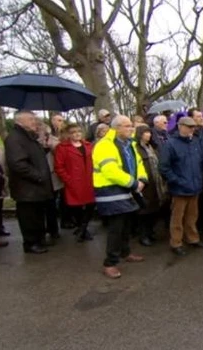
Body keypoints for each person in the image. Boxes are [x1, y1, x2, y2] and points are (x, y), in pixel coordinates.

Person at [93, 115, 147, 278]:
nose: (131, 129)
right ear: (116, 128)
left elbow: (138, 164)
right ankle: (110, 263)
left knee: (126, 226)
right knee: (116, 228)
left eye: (131, 126)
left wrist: (142, 179)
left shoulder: (129, 144)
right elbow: (110, 170)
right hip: (110, 192)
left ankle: (125, 252)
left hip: (127, 190)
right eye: (126, 126)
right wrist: (133, 183)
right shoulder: (105, 145)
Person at [5, 111, 55, 254]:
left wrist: (44, 148)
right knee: (29, 217)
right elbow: (18, 163)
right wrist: (38, 176)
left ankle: (39, 239)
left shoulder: (28, 137)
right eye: (31, 119)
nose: (35, 122)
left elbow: (33, 156)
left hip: (35, 187)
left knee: (37, 215)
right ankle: (31, 243)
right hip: (27, 188)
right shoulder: (14, 138)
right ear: (20, 121)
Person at [159, 117, 203, 257]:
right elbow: (164, 168)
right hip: (179, 189)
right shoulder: (170, 144)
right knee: (177, 219)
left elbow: (200, 163)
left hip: (195, 187)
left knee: (192, 216)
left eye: (193, 127)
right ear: (180, 126)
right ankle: (176, 243)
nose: (192, 129)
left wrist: (200, 178)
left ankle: (193, 239)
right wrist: (177, 181)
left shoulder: (195, 143)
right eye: (189, 126)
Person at [53, 123, 96, 243]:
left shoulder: (88, 145)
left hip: (89, 180)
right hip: (74, 181)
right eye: (73, 132)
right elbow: (59, 167)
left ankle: (83, 228)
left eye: (79, 131)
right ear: (68, 134)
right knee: (76, 206)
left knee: (90, 204)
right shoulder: (62, 148)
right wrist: (68, 179)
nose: (77, 134)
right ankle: (81, 228)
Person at [134, 125, 169, 247]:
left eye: (149, 132)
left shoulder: (152, 147)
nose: (148, 135)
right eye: (145, 133)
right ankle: (143, 235)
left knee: (154, 209)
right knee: (144, 211)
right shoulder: (136, 149)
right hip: (145, 183)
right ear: (140, 134)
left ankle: (150, 232)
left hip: (156, 181)